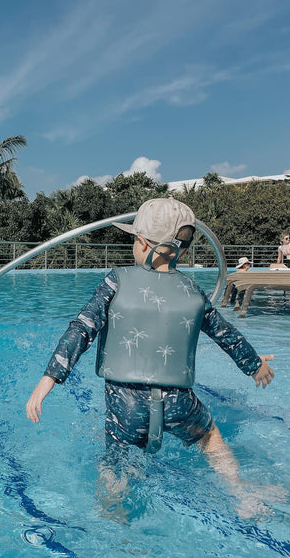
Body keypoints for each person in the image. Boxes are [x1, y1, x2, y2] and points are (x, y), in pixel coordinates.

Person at [26, 198, 276, 518]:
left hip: (124, 404)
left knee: (115, 469)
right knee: (211, 439)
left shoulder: (116, 281)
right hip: (179, 402)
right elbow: (225, 335)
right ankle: (241, 496)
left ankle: (114, 522)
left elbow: (82, 329)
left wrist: (49, 378)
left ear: (142, 243)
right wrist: (255, 364)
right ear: (182, 251)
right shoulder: (194, 291)